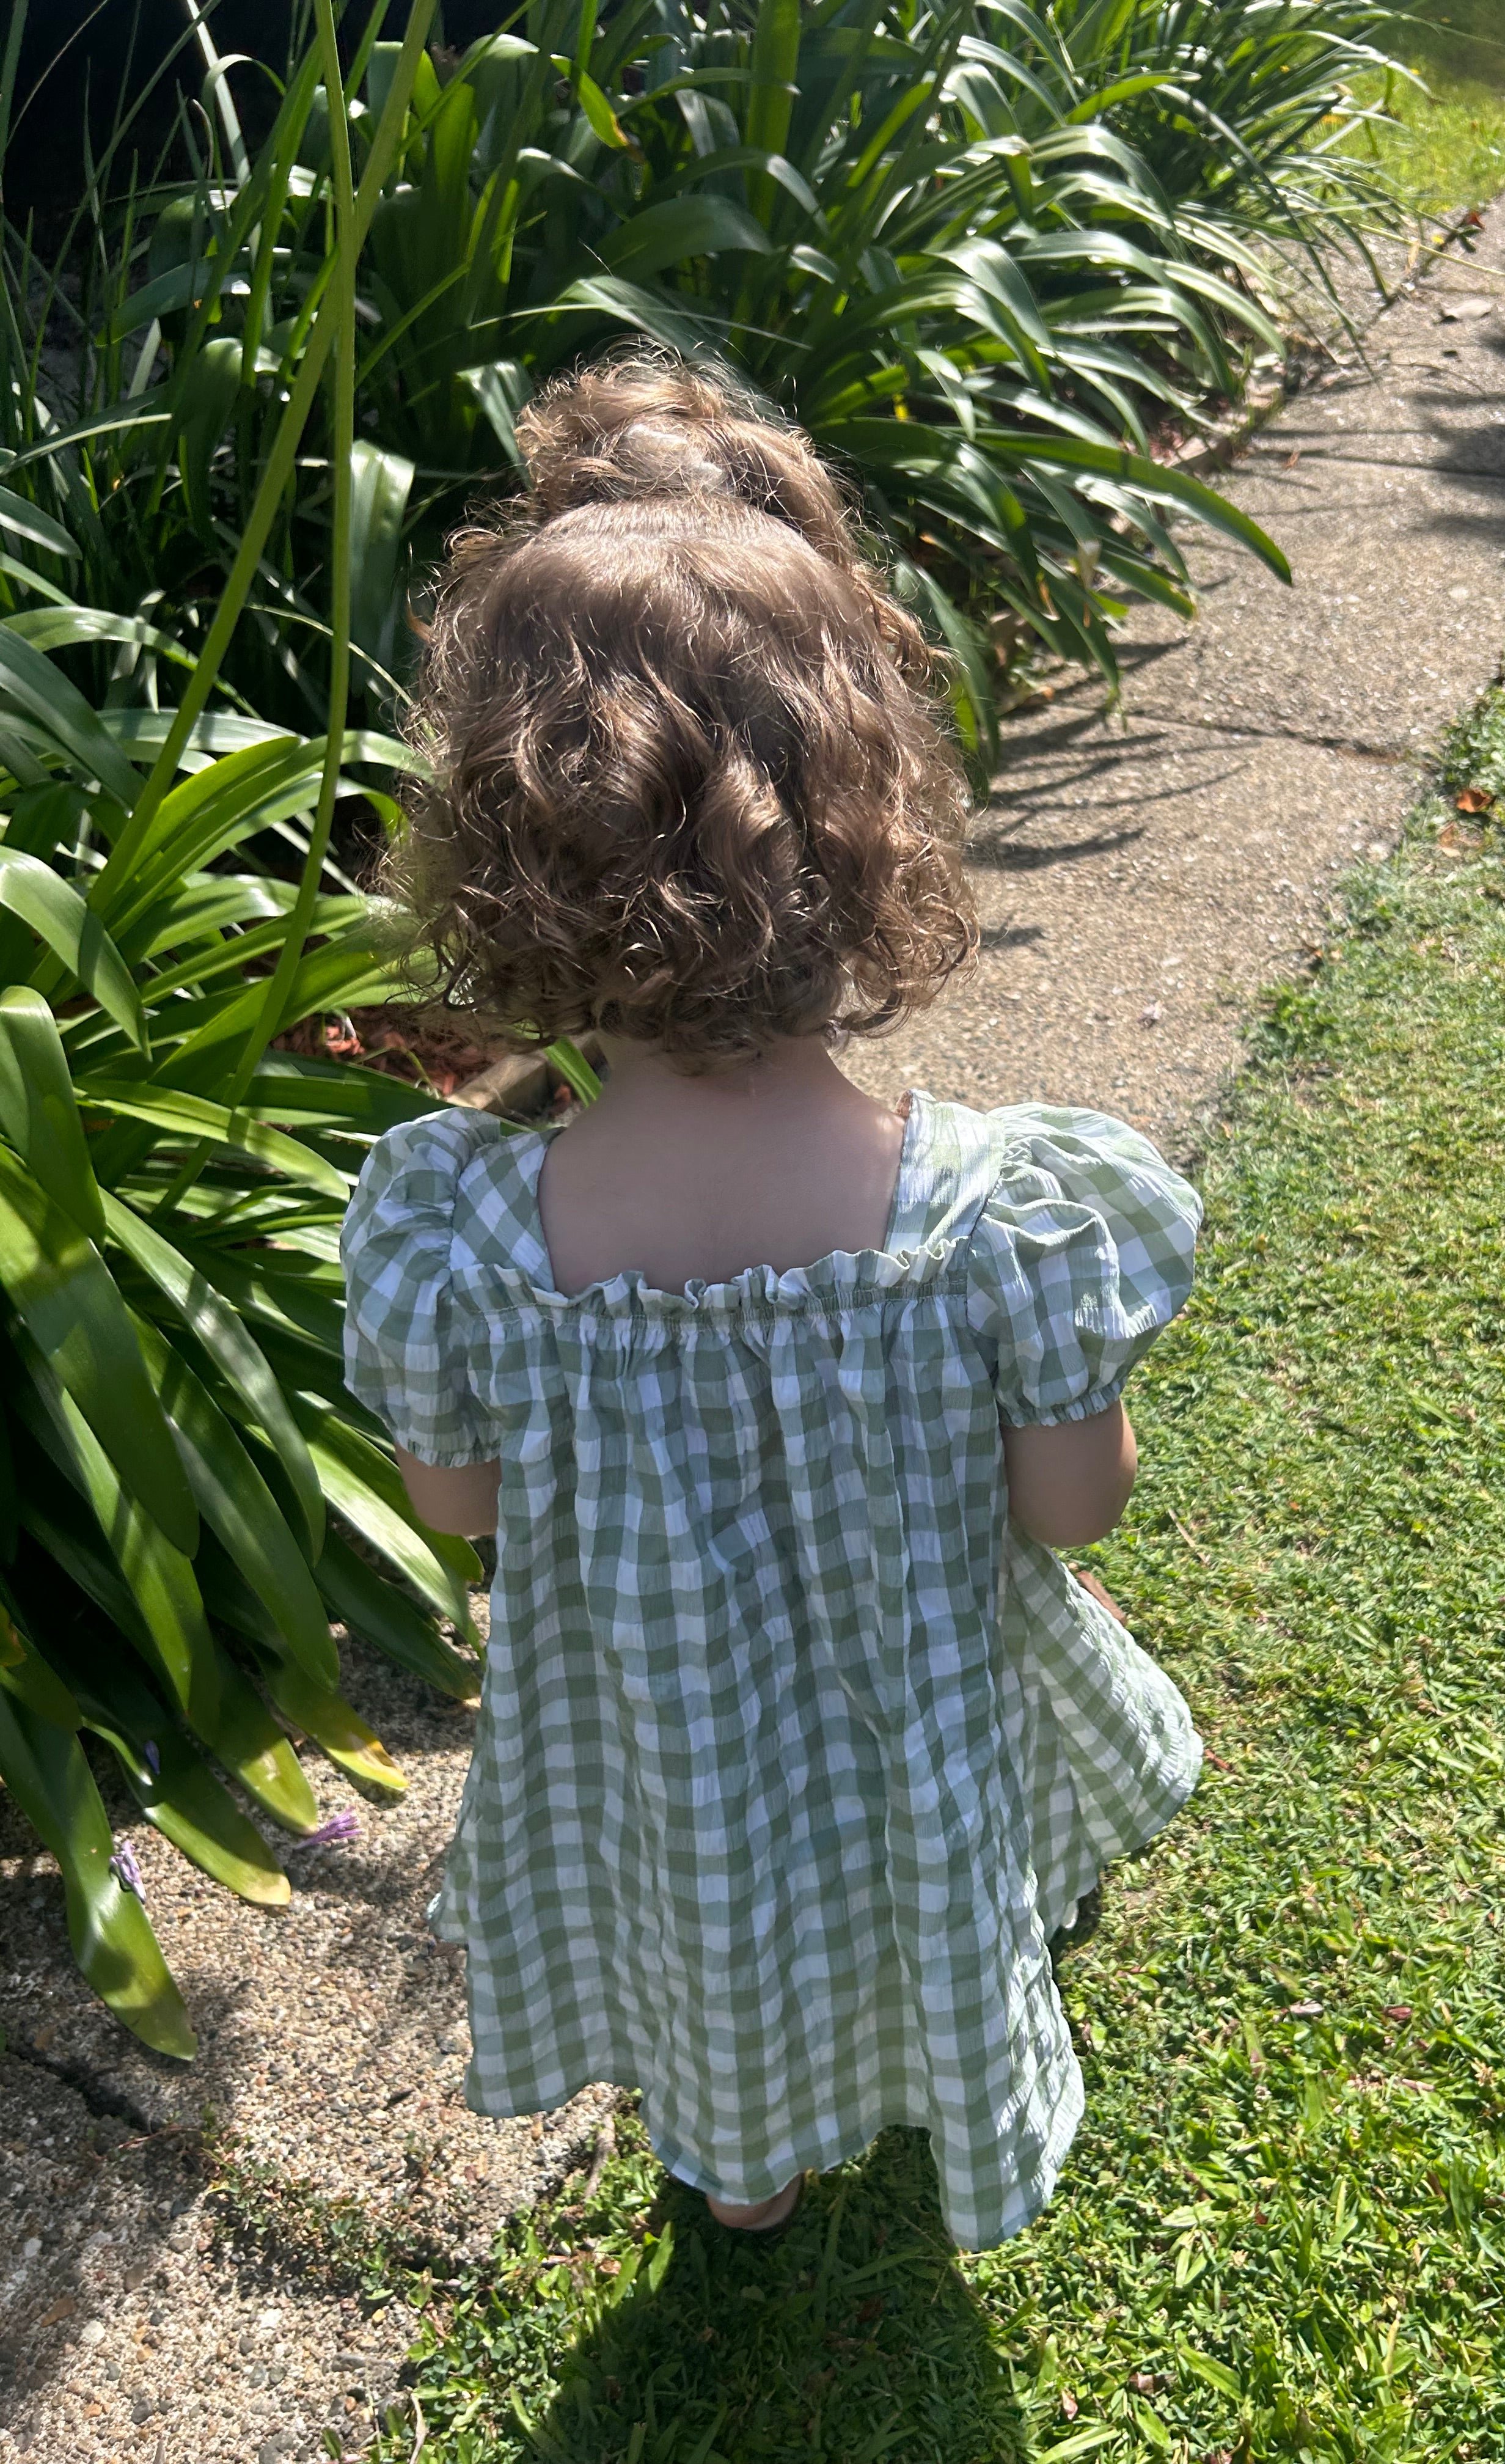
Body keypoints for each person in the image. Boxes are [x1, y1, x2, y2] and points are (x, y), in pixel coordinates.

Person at [339, 357, 1204, 2251]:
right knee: (929, 1839)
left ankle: (743, 2171)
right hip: (916, 1702)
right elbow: (1070, 1510)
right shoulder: (996, 1215)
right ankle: (948, 2051)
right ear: (874, 820)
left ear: (495, 859)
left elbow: (464, 1513)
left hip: (656, 1732)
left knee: (723, 1895)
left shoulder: (465, 1231)